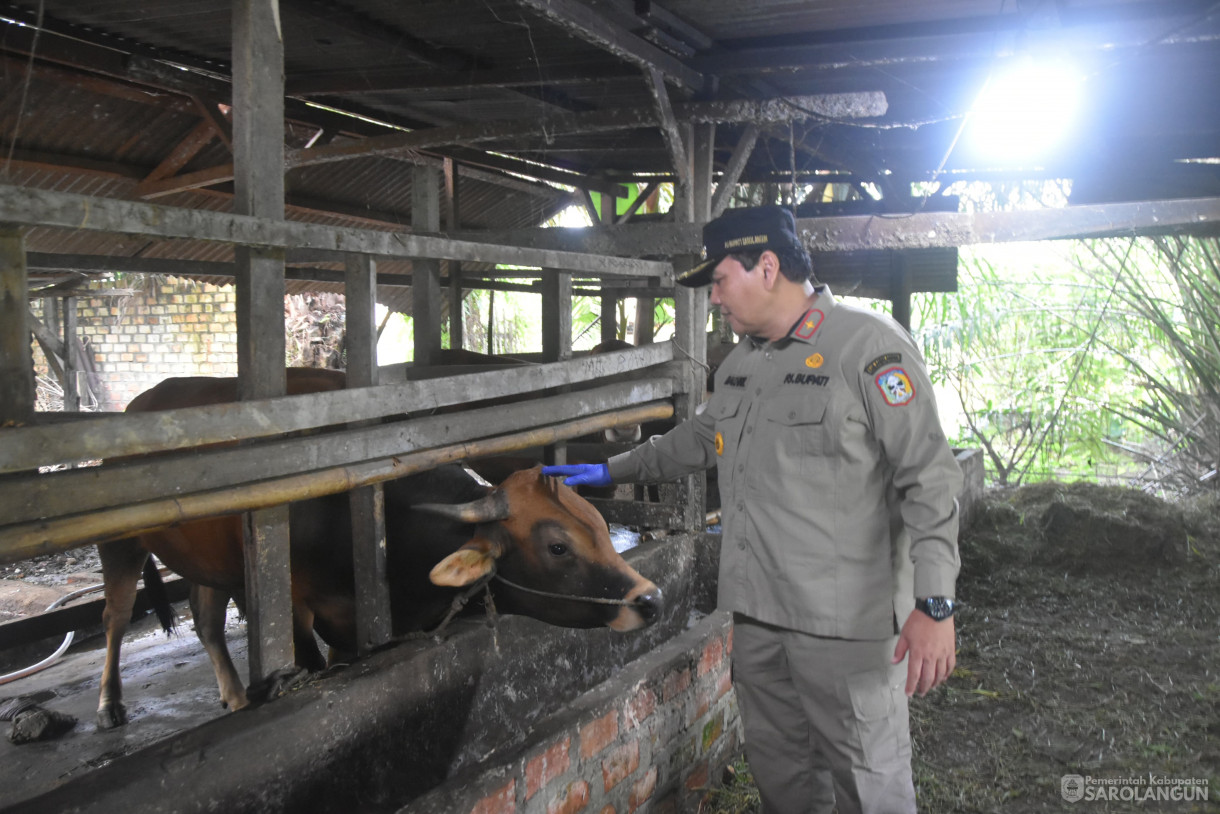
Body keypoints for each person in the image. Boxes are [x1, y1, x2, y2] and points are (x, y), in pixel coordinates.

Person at [543, 205, 963, 814]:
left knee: (867, 785)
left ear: (768, 267)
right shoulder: (742, 365)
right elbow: (699, 440)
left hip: (845, 628)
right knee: (783, 779)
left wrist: (935, 604)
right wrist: (612, 469)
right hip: (759, 618)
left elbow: (927, 477)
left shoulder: (866, 347)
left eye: (719, 281)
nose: (714, 299)